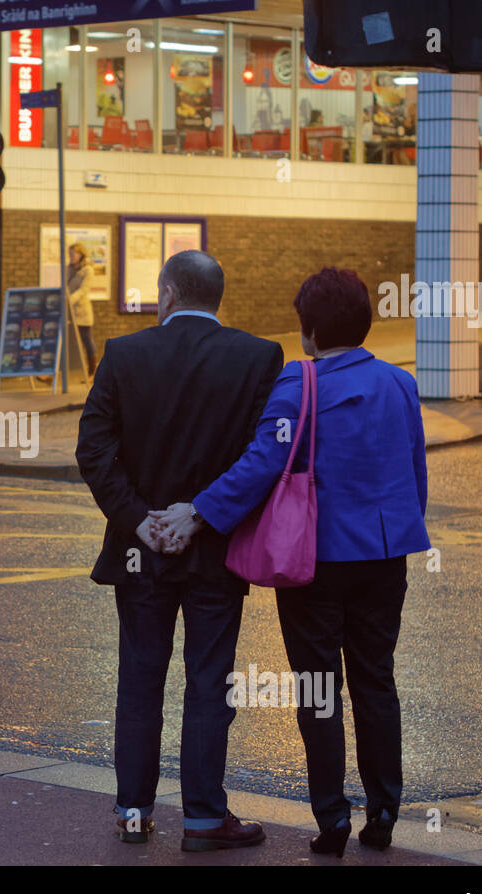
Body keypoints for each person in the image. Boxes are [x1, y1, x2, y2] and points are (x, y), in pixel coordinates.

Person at [151, 266, 429, 857]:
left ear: (306, 332)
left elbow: (260, 465)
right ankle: (383, 812)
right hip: (385, 553)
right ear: (366, 323)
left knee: (319, 684)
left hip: (313, 559)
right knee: (376, 679)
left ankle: (331, 820)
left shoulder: (297, 383)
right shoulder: (399, 383)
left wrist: (199, 512)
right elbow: (414, 471)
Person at [75, 249, 283, 852]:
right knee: (208, 683)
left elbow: (93, 453)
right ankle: (203, 819)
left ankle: (134, 813)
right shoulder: (257, 357)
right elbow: (261, 458)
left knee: (140, 679)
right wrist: (199, 516)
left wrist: (141, 522)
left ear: (166, 294)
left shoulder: (123, 354)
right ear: (217, 298)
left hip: (141, 553)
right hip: (213, 549)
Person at [67, 243, 97, 376]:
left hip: (82, 312)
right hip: (69, 311)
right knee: (64, 341)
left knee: (86, 340)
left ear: (80, 255)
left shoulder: (88, 270)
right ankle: (53, 373)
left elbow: (84, 290)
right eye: (69, 254)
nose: (71, 256)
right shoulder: (68, 269)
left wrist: (69, 300)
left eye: (73, 254)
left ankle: (92, 371)